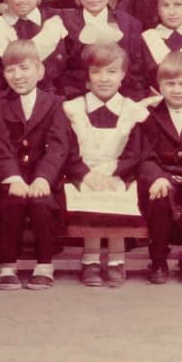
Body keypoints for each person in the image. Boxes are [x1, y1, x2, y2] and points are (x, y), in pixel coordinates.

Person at [120, 52, 182, 285]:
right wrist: (156, 177)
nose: (177, 90)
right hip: (162, 177)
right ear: (159, 86)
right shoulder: (150, 117)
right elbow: (144, 155)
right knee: (159, 198)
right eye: (170, 83)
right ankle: (157, 260)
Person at [63, 43, 148, 287]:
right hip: (83, 172)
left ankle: (116, 259)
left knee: (118, 196)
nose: (104, 79)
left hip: (118, 173)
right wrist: (85, 174)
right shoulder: (73, 109)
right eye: (96, 72)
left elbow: (136, 152)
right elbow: (66, 149)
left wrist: (115, 173)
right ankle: (90, 259)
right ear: (87, 76)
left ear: (122, 75)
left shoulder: (133, 112)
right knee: (89, 197)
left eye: (111, 72)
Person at [0, 40, 70, 291]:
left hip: (42, 179)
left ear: (40, 70)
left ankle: (44, 264)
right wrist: (12, 178)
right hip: (11, 180)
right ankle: (7, 265)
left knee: (42, 204)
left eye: (24, 68)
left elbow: (58, 146)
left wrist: (43, 178)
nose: (17, 76)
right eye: (10, 70)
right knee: (11, 205)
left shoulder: (54, 103)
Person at [57, 0, 147, 101]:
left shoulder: (129, 24)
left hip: (121, 99)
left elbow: (135, 74)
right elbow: (62, 73)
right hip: (77, 98)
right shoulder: (66, 23)